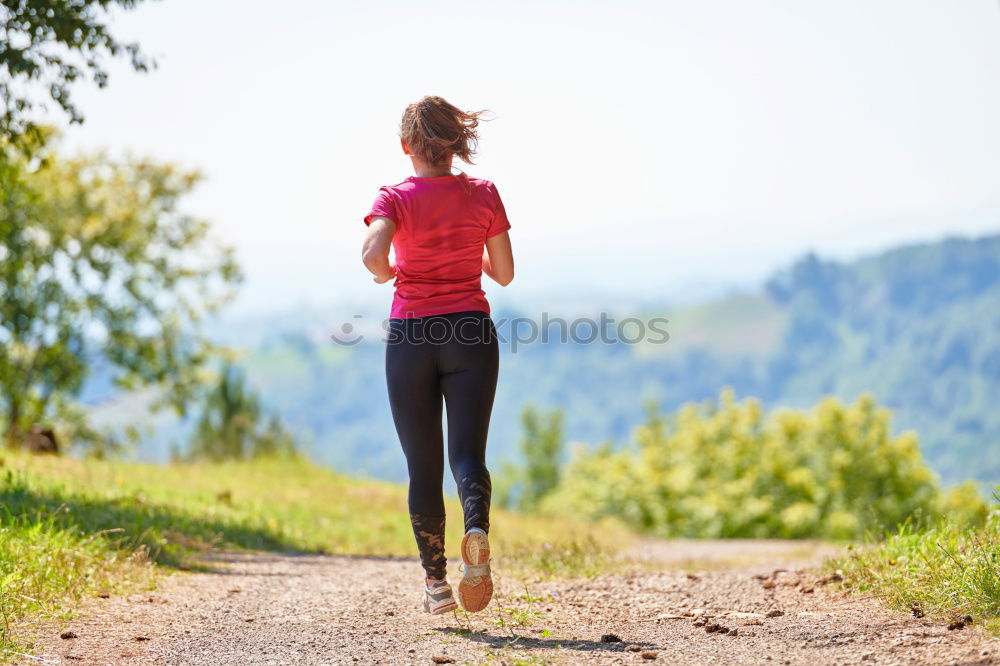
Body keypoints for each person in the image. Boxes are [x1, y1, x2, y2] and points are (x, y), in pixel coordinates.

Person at [361, 96, 515, 615]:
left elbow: (373, 254)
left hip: (411, 337)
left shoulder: (395, 198)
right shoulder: (484, 193)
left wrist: (388, 273)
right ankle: (476, 531)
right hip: (469, 330)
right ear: (457, 143)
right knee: (467, 455)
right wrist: (471, 256)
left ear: (406, 146)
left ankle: (437, 586)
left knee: (422, 468)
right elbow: (505, 272)